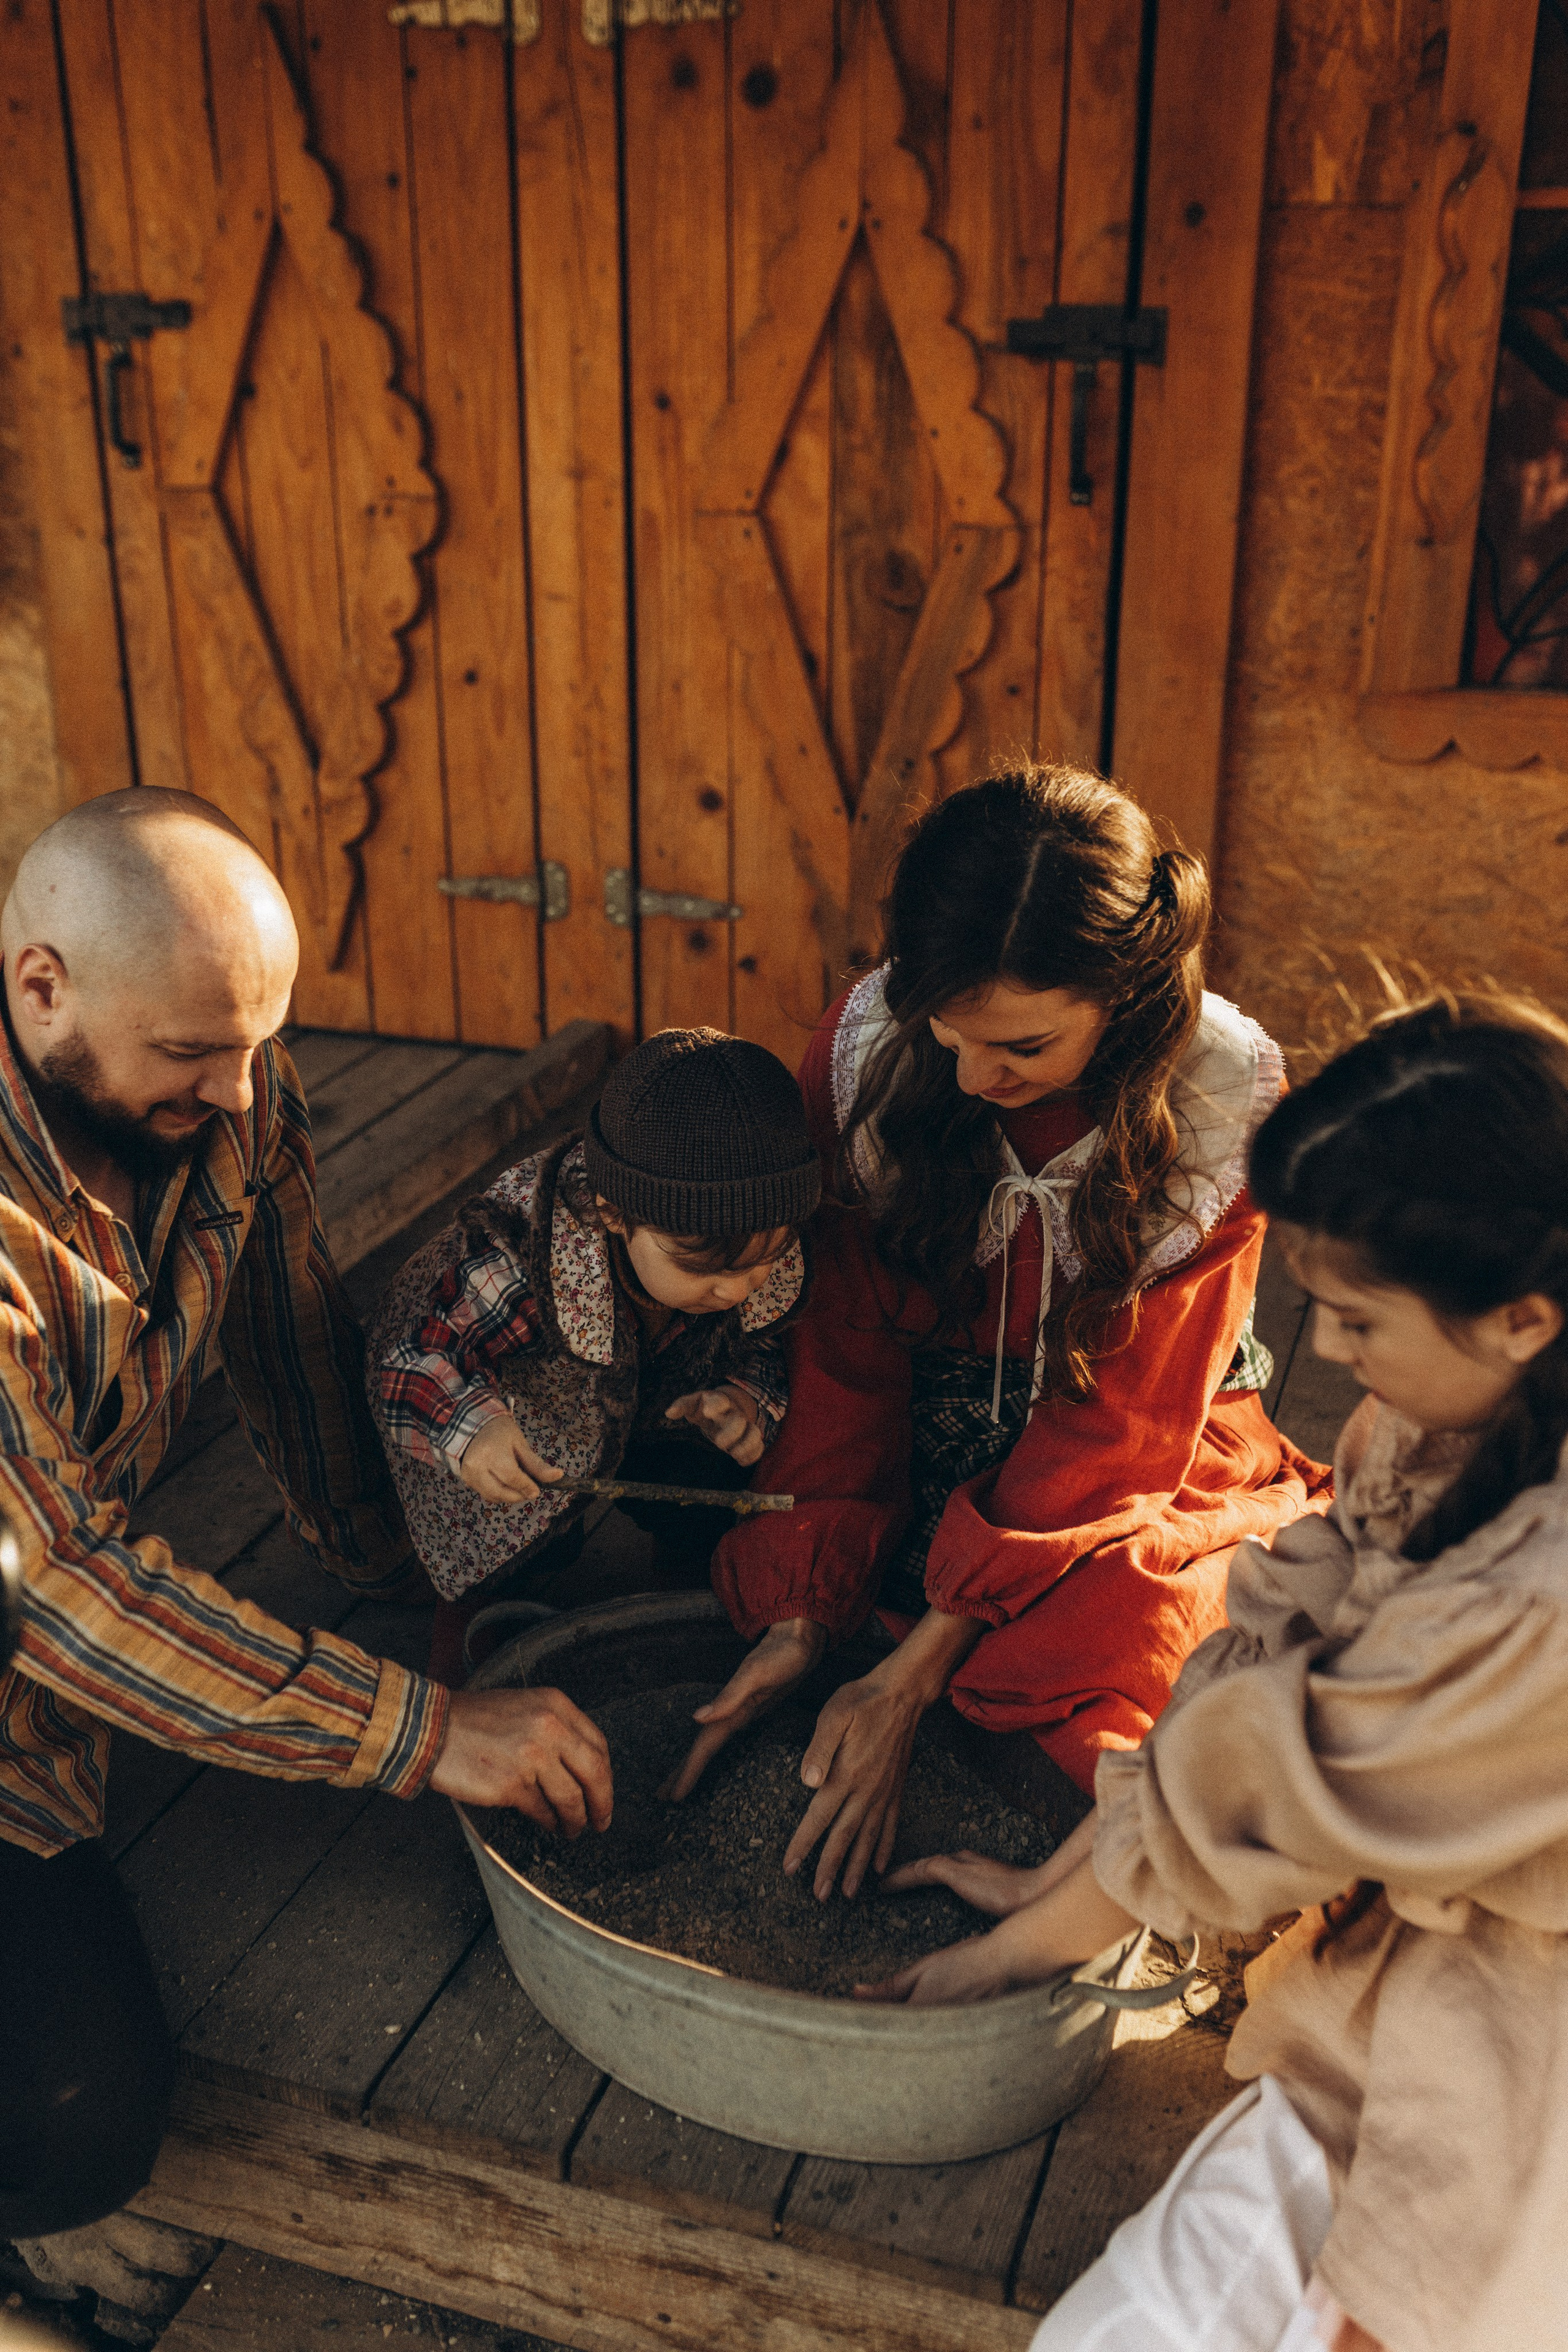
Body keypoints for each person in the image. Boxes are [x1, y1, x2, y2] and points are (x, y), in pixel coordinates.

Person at [863, 992, 1568, 2352]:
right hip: (1398, 1991)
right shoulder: (1446, 1429)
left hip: (1509, 2056)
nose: (1333, 1361)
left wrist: (1009, 1956)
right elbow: (1255, 1669)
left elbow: (1267, 1793)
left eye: (1357, 1323)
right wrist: (1068, 1878)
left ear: (1521, 1317)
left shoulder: (1536, 1615)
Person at [0, 790, 611, 2250]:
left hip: (42, 1713)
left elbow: (287, 1333)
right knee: (67, 2128)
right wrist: (426, 1726)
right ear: (42, 986)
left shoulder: (234, 1095)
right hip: (41, 1614)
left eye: (258, 1040)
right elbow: (61, 1591)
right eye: (192, 1051)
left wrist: (401, 1555)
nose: (240, 1091)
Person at [669, 767, 1330, 1898]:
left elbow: (1122, 1435)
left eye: (1022, 1048)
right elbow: (843, 1354)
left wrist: (913, 1675)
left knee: (1128, 1645)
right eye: (950, 1034)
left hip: (1136, 1463)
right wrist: (801, 1615)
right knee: (747, 1558)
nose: (975, 1077)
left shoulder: (1218, 1106)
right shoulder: (869, 1052)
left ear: (1122, 999)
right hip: (924, 1419)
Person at [366, 1027, 818, 1684]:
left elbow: (759, 1342)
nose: (737, 1289)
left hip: (646, 1386)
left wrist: (745, 1398)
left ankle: (686, 1582)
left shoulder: (741, 1251)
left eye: (765, 1261)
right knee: (517, 1513)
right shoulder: (523, 1261)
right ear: (612, 1213)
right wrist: (479, 1433)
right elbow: (414, 1366)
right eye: (703, 1269)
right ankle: (481, 1644)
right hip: (518, 1402)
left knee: (706, 1468)